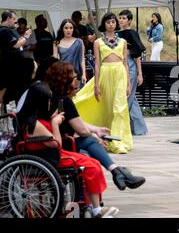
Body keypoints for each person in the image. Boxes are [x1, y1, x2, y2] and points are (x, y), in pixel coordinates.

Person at [17, 82, 119, 218]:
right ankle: (96, 209)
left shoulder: (34, 120)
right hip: (49, 158)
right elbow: (57, 143)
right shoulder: (35, 124)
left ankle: (93, 206)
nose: (50, 103)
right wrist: (55, 123)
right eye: (48, 100)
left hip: (50, 155)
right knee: (91, 166)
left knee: (91, 161)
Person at [45, 61, 145, 190]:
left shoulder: (55, 98)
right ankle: (117, 172)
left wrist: (96, 129)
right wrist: (93, 135)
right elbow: (82, 130)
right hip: (63, 143)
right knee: (90, 143)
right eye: (75, 78)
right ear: (66, 80)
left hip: (59, 140)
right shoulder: (65, 101)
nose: (78, 82)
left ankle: (117, 172)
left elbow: (73, 121)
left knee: (91, 147)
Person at [73, 12, 132, 154]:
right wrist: (96, 85)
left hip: (120, 74)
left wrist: (128, 83)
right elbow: (97, 64)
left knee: (119, 107)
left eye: (113, 22)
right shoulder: (98, 42)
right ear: (104, 24)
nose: (111, 24)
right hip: (105, 74)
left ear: (116, 24)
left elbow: (125, 63)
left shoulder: (123, 42)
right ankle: (107, 138)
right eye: (108, 22)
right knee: (107, 108)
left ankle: (119, 141)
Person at [118, 9, 148, 135]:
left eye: (124, 18)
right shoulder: (117, 34)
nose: (121, 20)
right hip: (119, 65)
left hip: (130, 66)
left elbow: (138, 54)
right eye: (120, 18)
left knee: (127, 96)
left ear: (129, 20)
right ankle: (139, 128)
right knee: (132, 98)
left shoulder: (131, 33)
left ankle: (122, 127)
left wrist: (139, 73)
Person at [0, 10, 33, 105]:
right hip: (10, 69)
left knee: (10, 94)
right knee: (10, 94)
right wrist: (26, 36)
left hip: (14, 69)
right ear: (8, 19)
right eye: (14, 19)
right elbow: (16, 45)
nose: (15, 22)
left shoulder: (9, 31)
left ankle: (9, 113)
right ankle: (8, 115)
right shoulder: (4, 31)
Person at [53, 19, 87, 86]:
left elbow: (82, 59)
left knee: (77, 95)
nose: (68, 30)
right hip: (63, 75)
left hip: (77, 74)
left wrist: (84, 74)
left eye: (71, 28)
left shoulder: (79, 42)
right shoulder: (56, 42)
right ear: (62, 29)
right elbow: (55, 61)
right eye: (66, 28)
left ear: (73, 29)